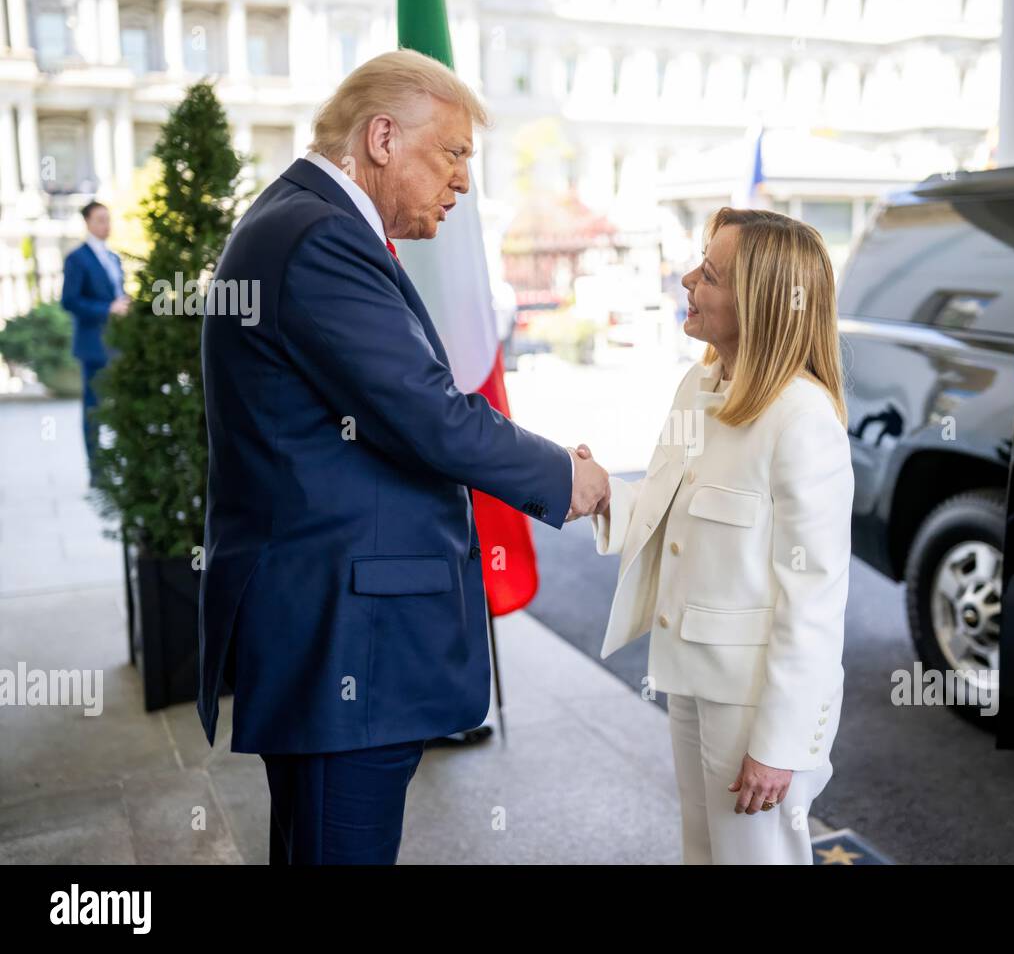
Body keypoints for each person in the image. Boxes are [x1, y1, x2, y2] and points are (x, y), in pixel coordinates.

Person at [198, 50, 609, 865]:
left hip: (335, 630)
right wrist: (570, 477)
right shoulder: (317, 237)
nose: (462, 182)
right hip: (342, 643)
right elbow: (427, 416)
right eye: (452, 152)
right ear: (382, 136)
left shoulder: (307, 221)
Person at [585, 208, 853, 864]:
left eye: (708, 274)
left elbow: (814, 602)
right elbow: (663, 506)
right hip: (691, 673)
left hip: (753, 702)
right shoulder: (697, 386)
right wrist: (596, 493)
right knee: (704, 853)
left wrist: (780, 742)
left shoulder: (802, 418)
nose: (686, 280)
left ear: (760, 302)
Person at [61, 200, 129, 472]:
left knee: (121, 404)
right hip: (93, 345)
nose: (106, 225)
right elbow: (70, 301)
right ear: (87, 222)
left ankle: (122, 465)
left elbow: (115, 295)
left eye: (108, 219)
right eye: (100, 219)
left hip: (116, 344)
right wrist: (107, 308)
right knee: (93, 407)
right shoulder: (77, 259)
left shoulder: (113, 258)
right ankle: (96, 470)